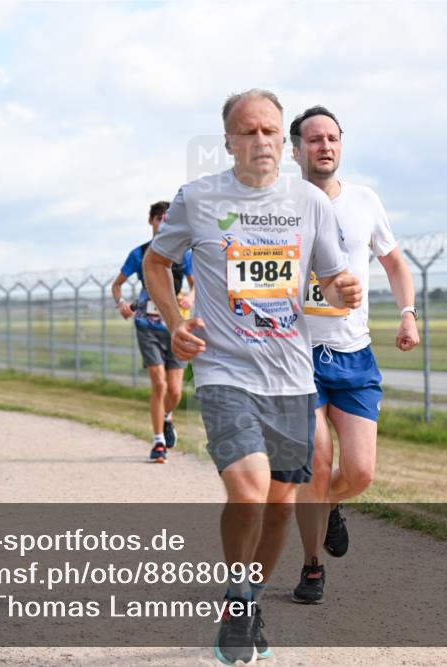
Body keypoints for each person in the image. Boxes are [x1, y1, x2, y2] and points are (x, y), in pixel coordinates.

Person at [143, 89, 361, 665]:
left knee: (282, 506)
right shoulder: (199, 198)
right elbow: (156, 262)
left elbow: (332, 275)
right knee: (248, 489)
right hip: (224, 371)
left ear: (281, 142)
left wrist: (344, 288)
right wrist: (174, 322)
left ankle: (248, 598)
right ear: (229, 142)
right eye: (248, 132)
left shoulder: (309, 202)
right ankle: (238, 600)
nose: (260, 141)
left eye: (269, 131)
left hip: (290, 375)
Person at [287, 106, 420, 605]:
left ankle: (330, 507)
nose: (325, 146)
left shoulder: (365, 201)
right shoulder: (280, 206)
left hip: (354, 354)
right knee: (317, 465)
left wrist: (407, 312)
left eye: (333, 138)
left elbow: (393, 262)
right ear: (295, 148)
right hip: (298, 355)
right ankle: (312, 565)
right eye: (314, 138)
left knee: (360, 472)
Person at [111, 201, 195, 463]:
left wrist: (191, 297)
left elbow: (197, 285)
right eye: (159, 218)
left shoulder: (186, 254)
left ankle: (167, 416)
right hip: (147, 326)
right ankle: (158, 442)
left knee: (175, 392)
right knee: (158, 384)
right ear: (151, 221)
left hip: (176, 327)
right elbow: (117, 285)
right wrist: (121, 303)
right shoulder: (140, 254)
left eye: (168, 219)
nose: (163, 223)